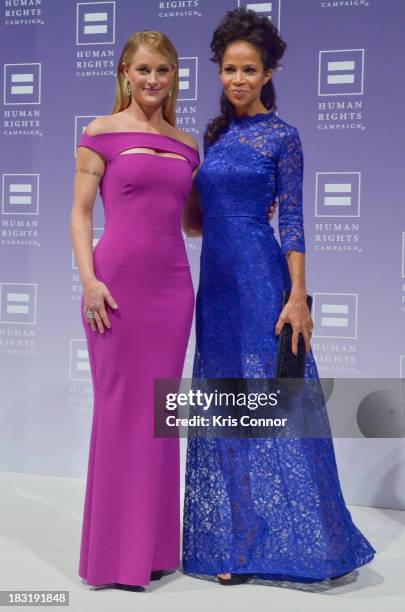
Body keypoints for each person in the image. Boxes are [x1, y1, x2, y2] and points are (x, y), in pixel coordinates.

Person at [181, 8, 376, 586]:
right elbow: (196, 222)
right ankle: (235, 546)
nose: (238, 79)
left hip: (263, 282)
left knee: (282, 406)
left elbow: (291, 220)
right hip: (214, 292)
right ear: (219, 72)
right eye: (229, 69)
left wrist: (297, 297)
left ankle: (317, 542)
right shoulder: (215, 137)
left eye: (250, 70)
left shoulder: (283, 137)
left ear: (268, 74)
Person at [70, 29, 199, 590]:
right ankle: (111, 559)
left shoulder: (187, 144)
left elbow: (190, 220)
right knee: (121, 412)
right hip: (115, 287)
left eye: (163, 71)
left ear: (174, 77)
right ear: (125, 71)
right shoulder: (99, 133)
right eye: (143, 69)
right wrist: (89, 281)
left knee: (159, 416)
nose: (152, 80)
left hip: (173, 291)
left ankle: (152, 551)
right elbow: (78, 215)